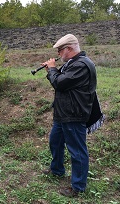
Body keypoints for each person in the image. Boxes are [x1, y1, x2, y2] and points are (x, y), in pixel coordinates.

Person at [41, 34, 103, 197]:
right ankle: (57, 170)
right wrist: (51, 71)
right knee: (55, 142)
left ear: (69, 49)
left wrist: (53, 69)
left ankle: (78, 187)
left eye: (60, 50)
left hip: (74, 114)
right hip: (63, 113)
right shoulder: (73, 63)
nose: (59, 54)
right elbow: (60, 79)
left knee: (77, 151)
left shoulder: (81, 65)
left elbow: (59, 83)